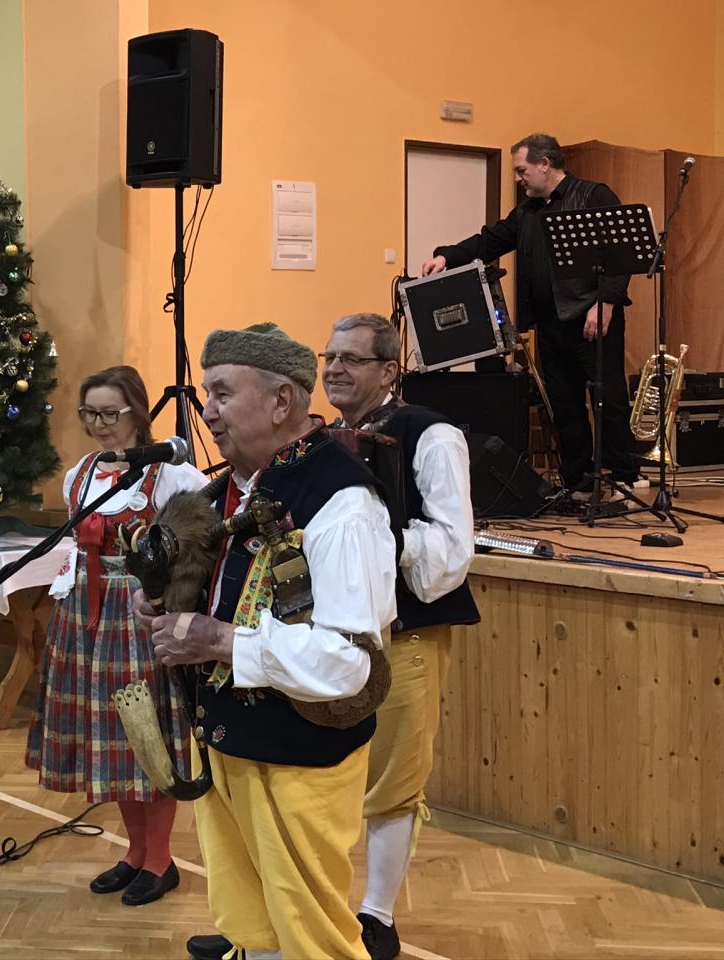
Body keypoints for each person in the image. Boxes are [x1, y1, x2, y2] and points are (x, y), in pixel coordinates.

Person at [151, 323, 397, 960]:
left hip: (298, 758)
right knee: (252, 924)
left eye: (223, 394)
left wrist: (219, 640)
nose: (207, 412)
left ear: (281, 401)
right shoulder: (236, 486)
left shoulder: (341, 503)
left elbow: (348, 664)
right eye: (208, 393)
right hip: (229, 742)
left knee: (313, 939)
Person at [324, 313, 479, 960]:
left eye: (351, 359)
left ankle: (378, 915)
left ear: (389, 370)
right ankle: (316, 907)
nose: (334, 369)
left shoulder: (431, 433)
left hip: (406, 631)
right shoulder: (323, 438)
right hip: (334, 633)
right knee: (325, 774)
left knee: (394, 776)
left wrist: (378, 539)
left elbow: (454, 549)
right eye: (329, 357)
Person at [25, 365, 206, 906]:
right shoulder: (80, 474)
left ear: (138, 413)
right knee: (114, 738)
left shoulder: (173, 476)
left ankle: (161, 859)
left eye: (110, 413)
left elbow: (202, 547)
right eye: (90, 413)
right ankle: (135, 852)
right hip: (85, 611)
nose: (98, 424)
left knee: (147, 732)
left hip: (139, 613)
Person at [421, 132, 637, 494]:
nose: (518, 178)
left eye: (522, 170)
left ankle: (623, 476)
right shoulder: (527, 212)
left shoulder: (593, 196)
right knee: (565, 404)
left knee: (608, 399)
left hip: (591, 318)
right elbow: (490, 241)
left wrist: (606, 302)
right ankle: (578, 480)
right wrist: (447, 256)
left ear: (545, 164)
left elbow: (621, 252)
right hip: (551, 323)